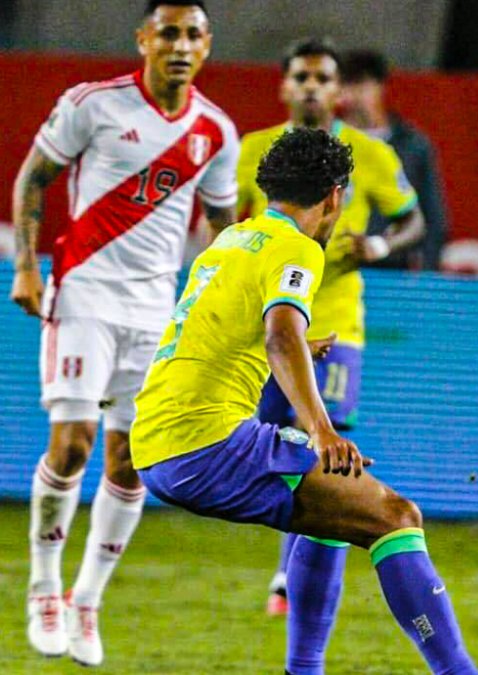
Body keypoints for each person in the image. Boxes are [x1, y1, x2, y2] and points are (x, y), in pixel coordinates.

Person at [131, 127, 478, 675]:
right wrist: (320, 429)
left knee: (332, 510)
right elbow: (279, 335)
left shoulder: (233, 240)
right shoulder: (299, 246)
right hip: (206, 441)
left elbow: (220, 329)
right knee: (395, 516)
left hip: (155, 441)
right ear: (336, 196)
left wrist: (293, 344)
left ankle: (306, 671)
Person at [8, 0, 239, 665]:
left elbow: (222, 230)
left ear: (207, 45)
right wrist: (26, 264)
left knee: (130, 460)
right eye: (167, 32)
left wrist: (224, 305)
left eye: (193, 34)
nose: (180, 44)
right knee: (74, 445)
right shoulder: (93, 104)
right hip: (83, 294)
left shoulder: (215, 131)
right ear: (143, 39)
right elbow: (33, 179)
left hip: (154, 312)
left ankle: (87, 599)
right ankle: (45, 586)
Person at [235, 38, 426, 626]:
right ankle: (295, 565)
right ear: (285, 86)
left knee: (320, 442)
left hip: (337, 322)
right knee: (272, 441)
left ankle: (292, 579)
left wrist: (380, 244)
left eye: (323, 77)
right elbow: (227, 224)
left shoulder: (369, 154)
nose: (313, 87)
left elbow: (412, 218)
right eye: (302, 76)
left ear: (337, 90)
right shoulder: (251, 152)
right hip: (264, 321)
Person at [339, 48, 449, 271]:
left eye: (363, 85)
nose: (355, 95)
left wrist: (428, 273)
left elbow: (432, 216)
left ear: (380, 87)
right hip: (338, 265)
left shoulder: (412, 145)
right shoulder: (327, 142)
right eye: (348, 86)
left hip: (392, 267)